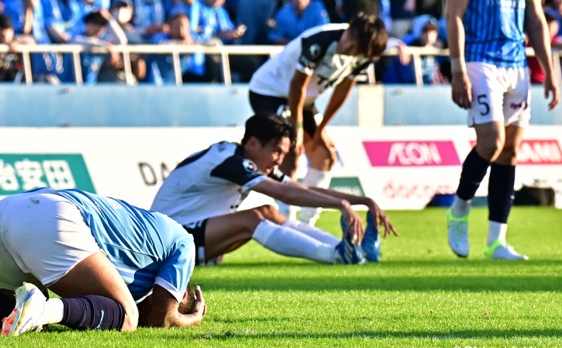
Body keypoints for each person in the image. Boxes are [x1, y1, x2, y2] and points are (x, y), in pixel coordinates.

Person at [445, 0, 560, 261]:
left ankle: (497, 241)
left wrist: (550, 68)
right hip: (480, 60)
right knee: (491, 144)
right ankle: (460, 206)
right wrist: (458, 69)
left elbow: (536, 18)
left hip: (517, 63)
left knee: (510, 152)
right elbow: (455, 16)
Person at [0, 187, 207, 336]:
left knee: (17, 306)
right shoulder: (184, 244)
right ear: (180, 291)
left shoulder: (144, 248)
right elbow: (160, 319)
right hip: (50, 216)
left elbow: (153, 311)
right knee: (126, 316)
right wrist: (189, 318)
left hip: (4, 211)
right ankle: (42, 311)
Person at [151, 114, 397, 266]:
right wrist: (341, 206)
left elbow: (301, 188)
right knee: (253, 218)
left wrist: (363, 201)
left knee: (268, 211)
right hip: (168, 243)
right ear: (253, 143)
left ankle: (352, 251)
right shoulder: (231, 161)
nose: (279, 160)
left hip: (187, 235)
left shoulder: (245, 159)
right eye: (277, 151)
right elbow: (286, 195)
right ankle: (334, 255)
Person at [248, 14, 388, 228]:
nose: (347, 44)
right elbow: (297, 87)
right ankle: (287, 222)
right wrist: (297, 129)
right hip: (269, 91)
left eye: (354, 46)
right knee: (291, 150)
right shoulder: (320, 41)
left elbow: (342, 91)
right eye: (349, 35)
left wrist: (321, 128)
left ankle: (307, 222)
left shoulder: (365, 54)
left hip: (304, 100)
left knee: (325, 155)